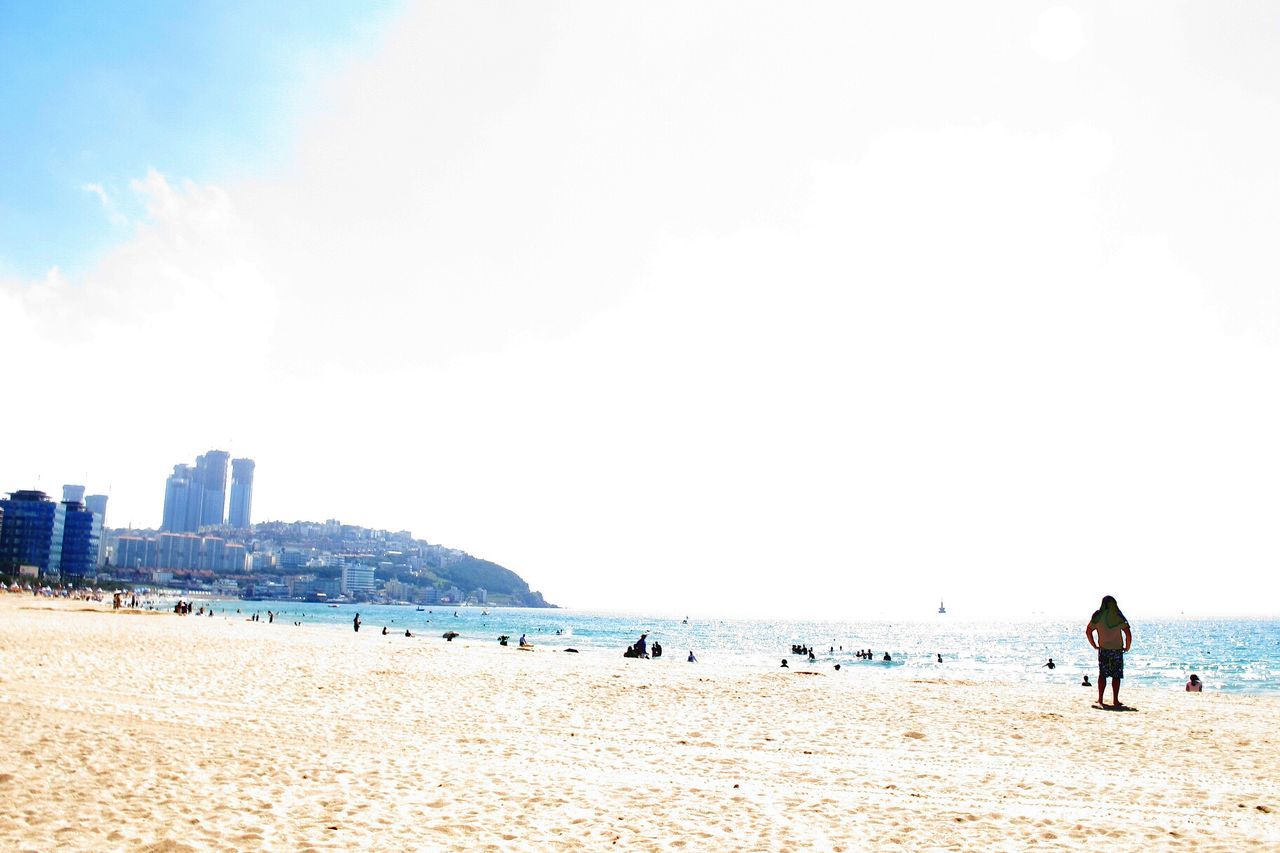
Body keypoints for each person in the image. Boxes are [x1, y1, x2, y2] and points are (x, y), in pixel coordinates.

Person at [1085, 595, 1132, 707]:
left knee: (1102, 675)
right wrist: (1127, 646)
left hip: (1104, 649)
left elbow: (1088, 631)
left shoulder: (1098, 615)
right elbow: (1128, 633)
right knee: (1116, 676)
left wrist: (1094, 645)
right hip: (1117, 650)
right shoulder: (1118, 615)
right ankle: (1115, 700)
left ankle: (1100, 699)